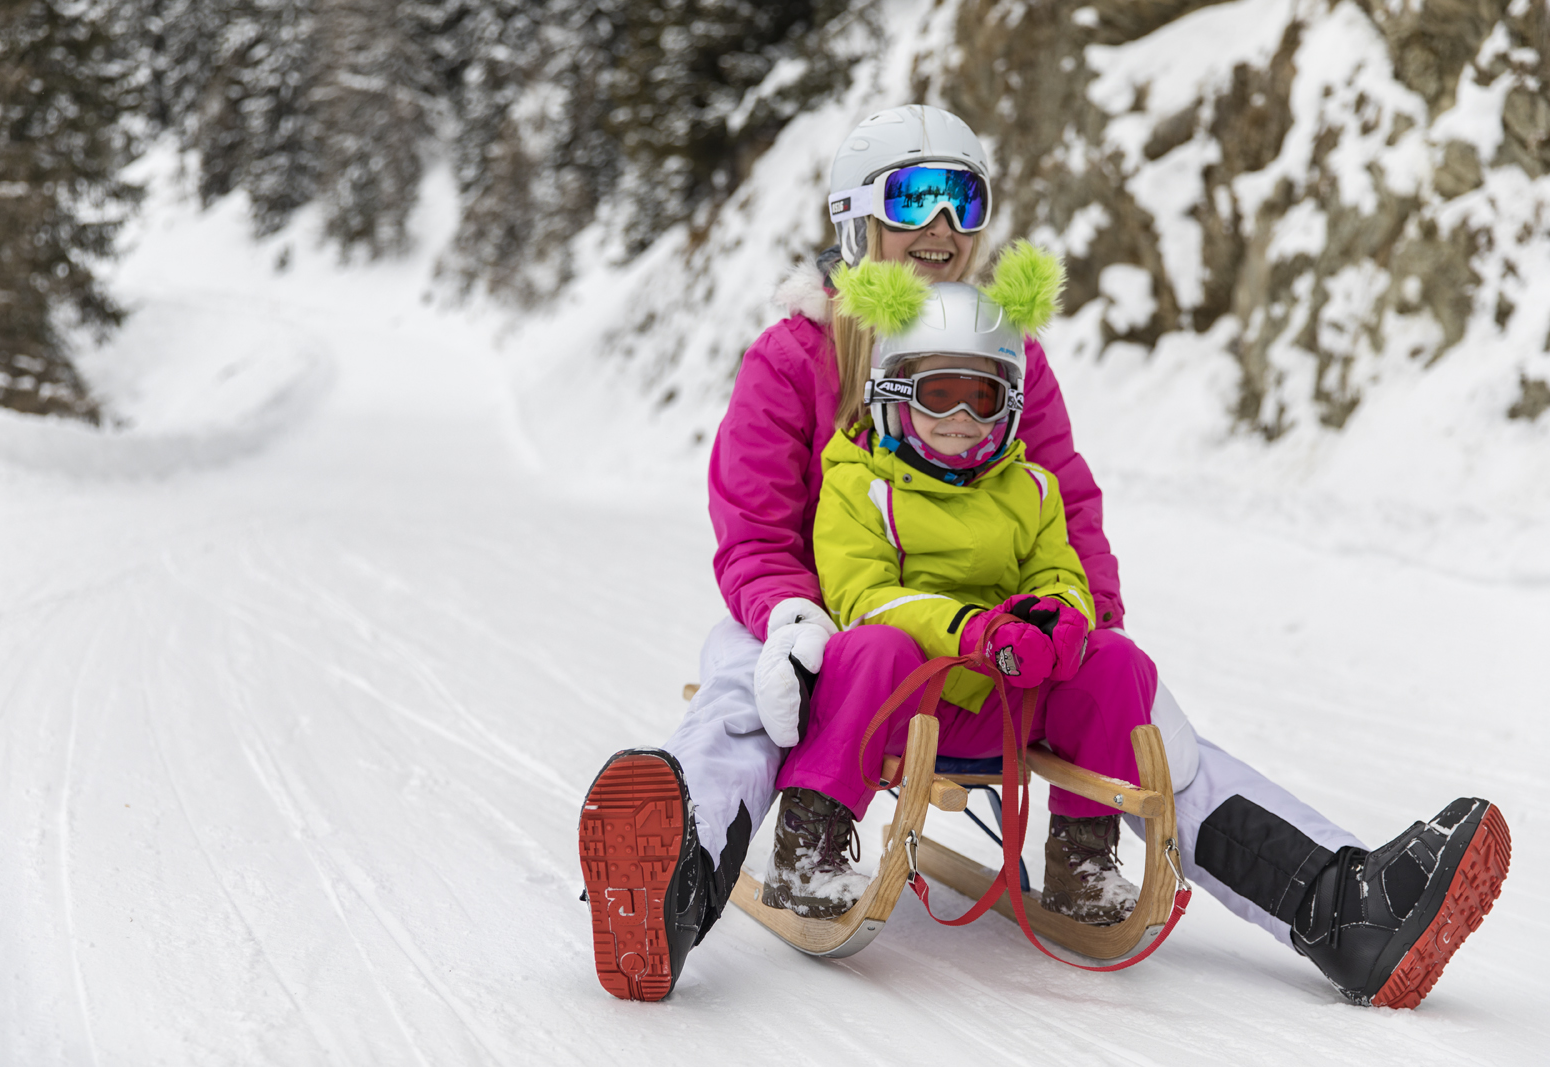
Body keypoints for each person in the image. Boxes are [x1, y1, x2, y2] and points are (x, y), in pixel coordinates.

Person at [577, 105, 1509, 1008]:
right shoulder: (796, 356)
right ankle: (673, 888)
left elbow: (1060, 492)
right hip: (830, 622)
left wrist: (1080, 622)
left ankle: (1338, 906)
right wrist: (790, 615)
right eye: (913, 199)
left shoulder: (1001, 354)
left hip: (994, 635)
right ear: (855, 218)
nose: (942, 225)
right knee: (745, 697)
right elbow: (754, 525)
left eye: (964, 199)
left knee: (1157, 726)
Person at [762, 253, 1149, 927]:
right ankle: (808, 845)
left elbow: (1061, 573)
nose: (964, 416)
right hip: (902, 704)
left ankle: (1082, 856)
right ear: (892, 391)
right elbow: (864, 594)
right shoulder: (859, 483)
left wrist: (1057, 620)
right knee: (874, 648)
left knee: (1117, 660)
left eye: (986, 396)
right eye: (940, 394)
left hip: (1006, 701)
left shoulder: (1031, 488)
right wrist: (976, 630)